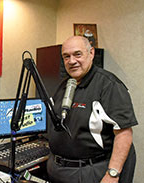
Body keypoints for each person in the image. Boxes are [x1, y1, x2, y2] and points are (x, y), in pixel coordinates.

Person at [46, 36, 138, 183]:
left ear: (91, 53)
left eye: (77, 54)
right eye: (66, 56)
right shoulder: (64, 85)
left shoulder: (108, 85)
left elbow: (124, 133)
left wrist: (112, 174)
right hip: (59, 170)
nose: (72, 61)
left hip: (90, 171)